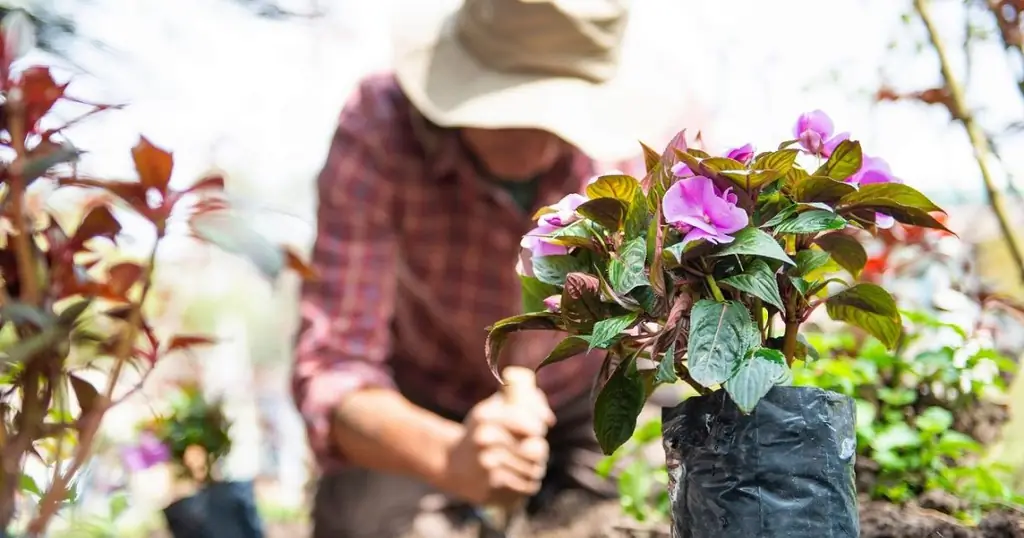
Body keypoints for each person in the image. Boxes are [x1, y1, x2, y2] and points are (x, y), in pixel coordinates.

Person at [293, 0, 687, 536]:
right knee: (371, 518)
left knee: (666, 496)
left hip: (581, 394)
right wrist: (450, 457)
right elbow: (335, 366)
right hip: (425, 401)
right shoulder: (380, 129)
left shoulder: (621, 161)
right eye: (516, 112)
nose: (540, 137)